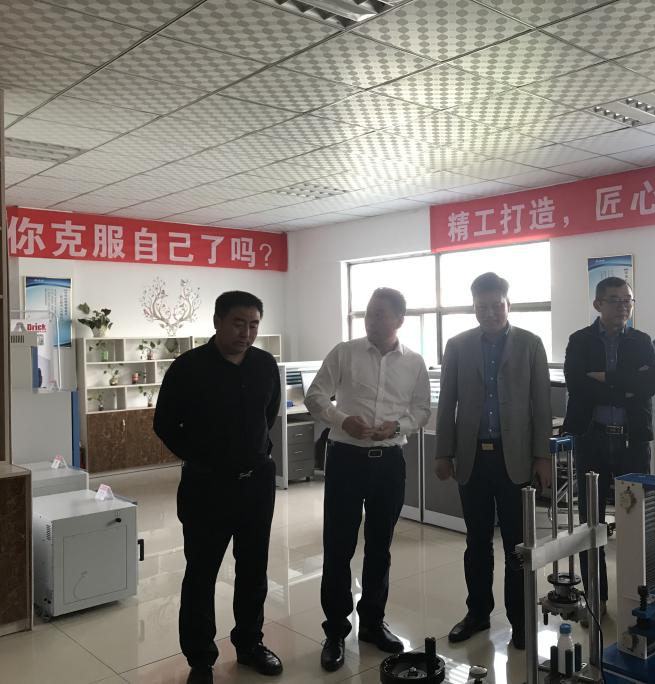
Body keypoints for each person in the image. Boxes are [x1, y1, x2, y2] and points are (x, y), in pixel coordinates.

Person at [153, 291, 283, 684]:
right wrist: (202, 458)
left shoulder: (264, 364)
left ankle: (250, 644)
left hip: (256, 485)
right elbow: (165, 423)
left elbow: (269, 413)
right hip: (207, 488)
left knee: (253, 569)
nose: (247, 333)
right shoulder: (189, 367)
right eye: (239, 323)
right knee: (202, 573)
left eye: (254, 325)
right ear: (218, 322)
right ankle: (200, 660)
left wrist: (253, 453)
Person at [305, 288, 431, 672]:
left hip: (389, 462)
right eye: (369, 313)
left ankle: (373, 623)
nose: (372, 320)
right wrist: (343, 420)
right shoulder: (344, 353)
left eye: (380, 314)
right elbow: (315, 396)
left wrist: (399, 425)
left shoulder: (414, 362)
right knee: (338, 546)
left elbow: (421, 410)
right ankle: (335, 631)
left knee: (380, 546)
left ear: (399, 319)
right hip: (346, 459)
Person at [434, 272, 552, 650]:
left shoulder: (530, 344)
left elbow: (542, 405)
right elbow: (447, 402)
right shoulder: (458, 345)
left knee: (517, 545)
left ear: (507, 304)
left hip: (514, 458)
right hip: (472, 459)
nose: (489, 312)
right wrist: (443, 451)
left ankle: (520, 621)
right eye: (482, 306)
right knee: (477, 542)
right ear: (474, 307)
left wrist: (542, 456)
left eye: (496, 305)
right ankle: (478, 613)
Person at [563, 277, 655, 620]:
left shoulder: (641, 340)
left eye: (628, 300)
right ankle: (596, 597)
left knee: (635, 521)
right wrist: (626, 385)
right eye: (615, 300)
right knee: (590, 523)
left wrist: (606, 378)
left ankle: (637, 598)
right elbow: (577, 384)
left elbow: (652, 381)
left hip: (631, 442)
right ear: (598, 304)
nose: (623, 306)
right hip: (591, 439)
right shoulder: (580, 340)